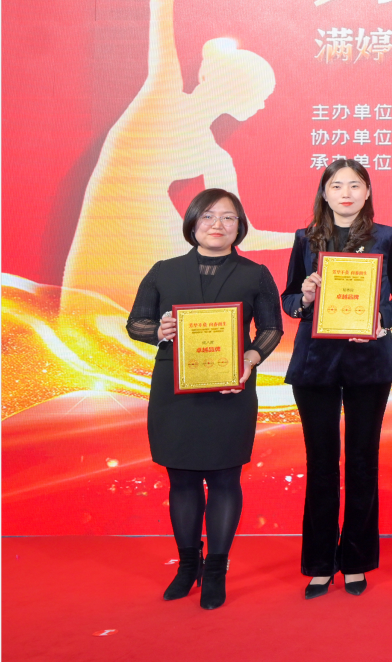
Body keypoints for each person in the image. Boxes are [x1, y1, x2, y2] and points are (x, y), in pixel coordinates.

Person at [64, 0, 289, 316]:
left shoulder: (215, 155)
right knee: (96, 330)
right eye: (260, 97)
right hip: (113, 238)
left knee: (140, 336)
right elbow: (160, 4)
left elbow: (244, 234)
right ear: (241, 94)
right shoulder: (163, 89)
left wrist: (312, 237)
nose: (261, 107)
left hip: (154, 247)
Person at [126, 188, 282, 610]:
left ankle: (216, 569)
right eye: (209, 216)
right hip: (175, 393)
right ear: (192, 222)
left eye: (228, 217)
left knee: (225, 480)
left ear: (240, 226)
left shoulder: (255, 274)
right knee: (182, 481)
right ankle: (187, 565)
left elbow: (271, 329)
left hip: (230, 391)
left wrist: (249, 359)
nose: (218, 224)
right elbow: (136, 323)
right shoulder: (164, 271)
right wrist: (158, 331)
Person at [280, 159, 392, 598]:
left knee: (362, 461)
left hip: (368, 362)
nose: (346, 193)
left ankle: (355, 560)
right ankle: (319, 563)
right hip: (315, 365)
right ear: (325, 192)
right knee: (321, 463)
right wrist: (305, 296)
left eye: (355, 185)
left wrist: (380, 322)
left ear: (367, 192)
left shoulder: (387, 237)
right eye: (337, 186)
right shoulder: (306, 238)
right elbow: (289, 299)